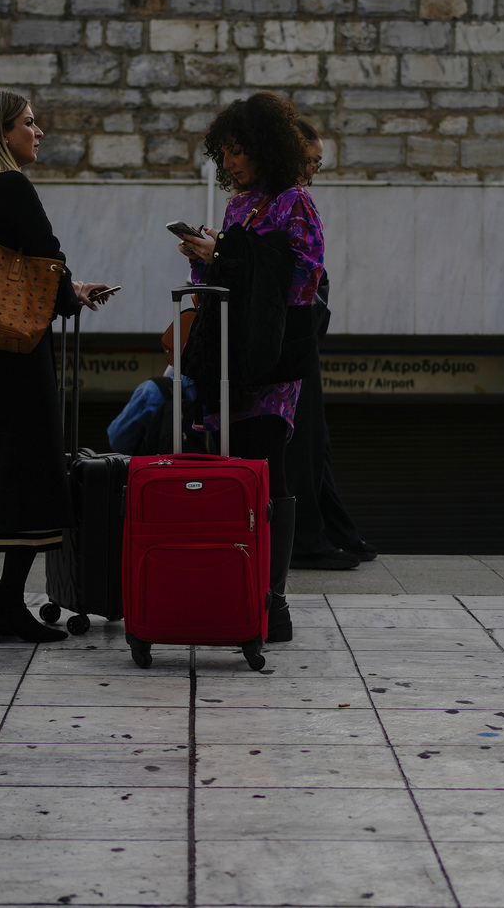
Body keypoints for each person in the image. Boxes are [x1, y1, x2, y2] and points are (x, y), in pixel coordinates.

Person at [0, 90, 113, 643]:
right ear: (2, 131)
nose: (39, 133)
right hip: (12, 354)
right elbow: (47, 259)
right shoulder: (11, 185)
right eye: (29, 123)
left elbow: (10, 272)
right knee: (29, 471)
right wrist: (70, 294)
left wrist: (66, 289)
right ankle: (9, 605)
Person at [174, 92, 324, 640]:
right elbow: (221, 280)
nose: (230, 162)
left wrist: (227, 255)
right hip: (229, 354)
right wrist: (204, 258)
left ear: (266, 148)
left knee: (267, 464)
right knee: (226, 463)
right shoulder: (239, 207)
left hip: (274, 356)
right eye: (225, 152)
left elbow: (302, 278)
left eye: (239, 151)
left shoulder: (294, 202)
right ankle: (228, 587)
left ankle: (272, 601)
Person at [287, 121, 373, 570]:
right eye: (312, 161)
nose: (314, 171)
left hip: (295, 336)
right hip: (290, 340)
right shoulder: (287, 201)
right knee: (302, 443)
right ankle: (310, 539)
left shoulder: (279, 200)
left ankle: (333, 532)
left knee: (312, 442)